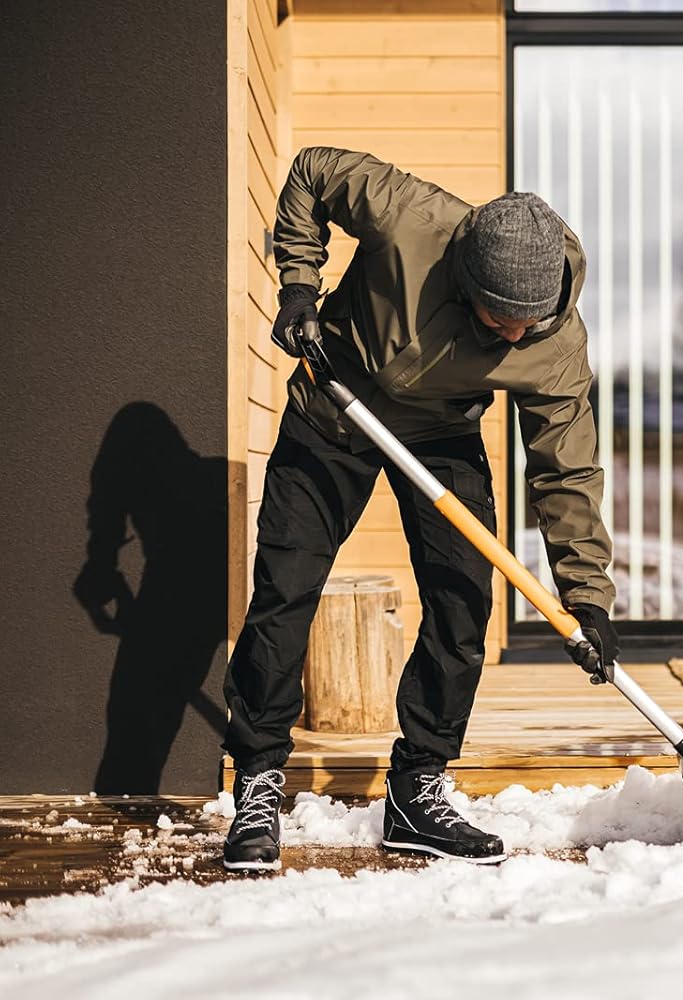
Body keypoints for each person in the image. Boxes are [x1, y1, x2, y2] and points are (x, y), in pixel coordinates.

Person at [222, 147, 617, 871]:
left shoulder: (555, 345)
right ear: (467, 280)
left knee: (464, 603)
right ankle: (257, 780)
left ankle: (418, 789)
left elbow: (567, 471)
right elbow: (310, 172)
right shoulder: (412, 218)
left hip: (439, 434)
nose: (514, 335)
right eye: (501, 318)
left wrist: (586, 599)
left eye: (529, 322)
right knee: (286, 591)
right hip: (332, 411)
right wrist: (300, 289)